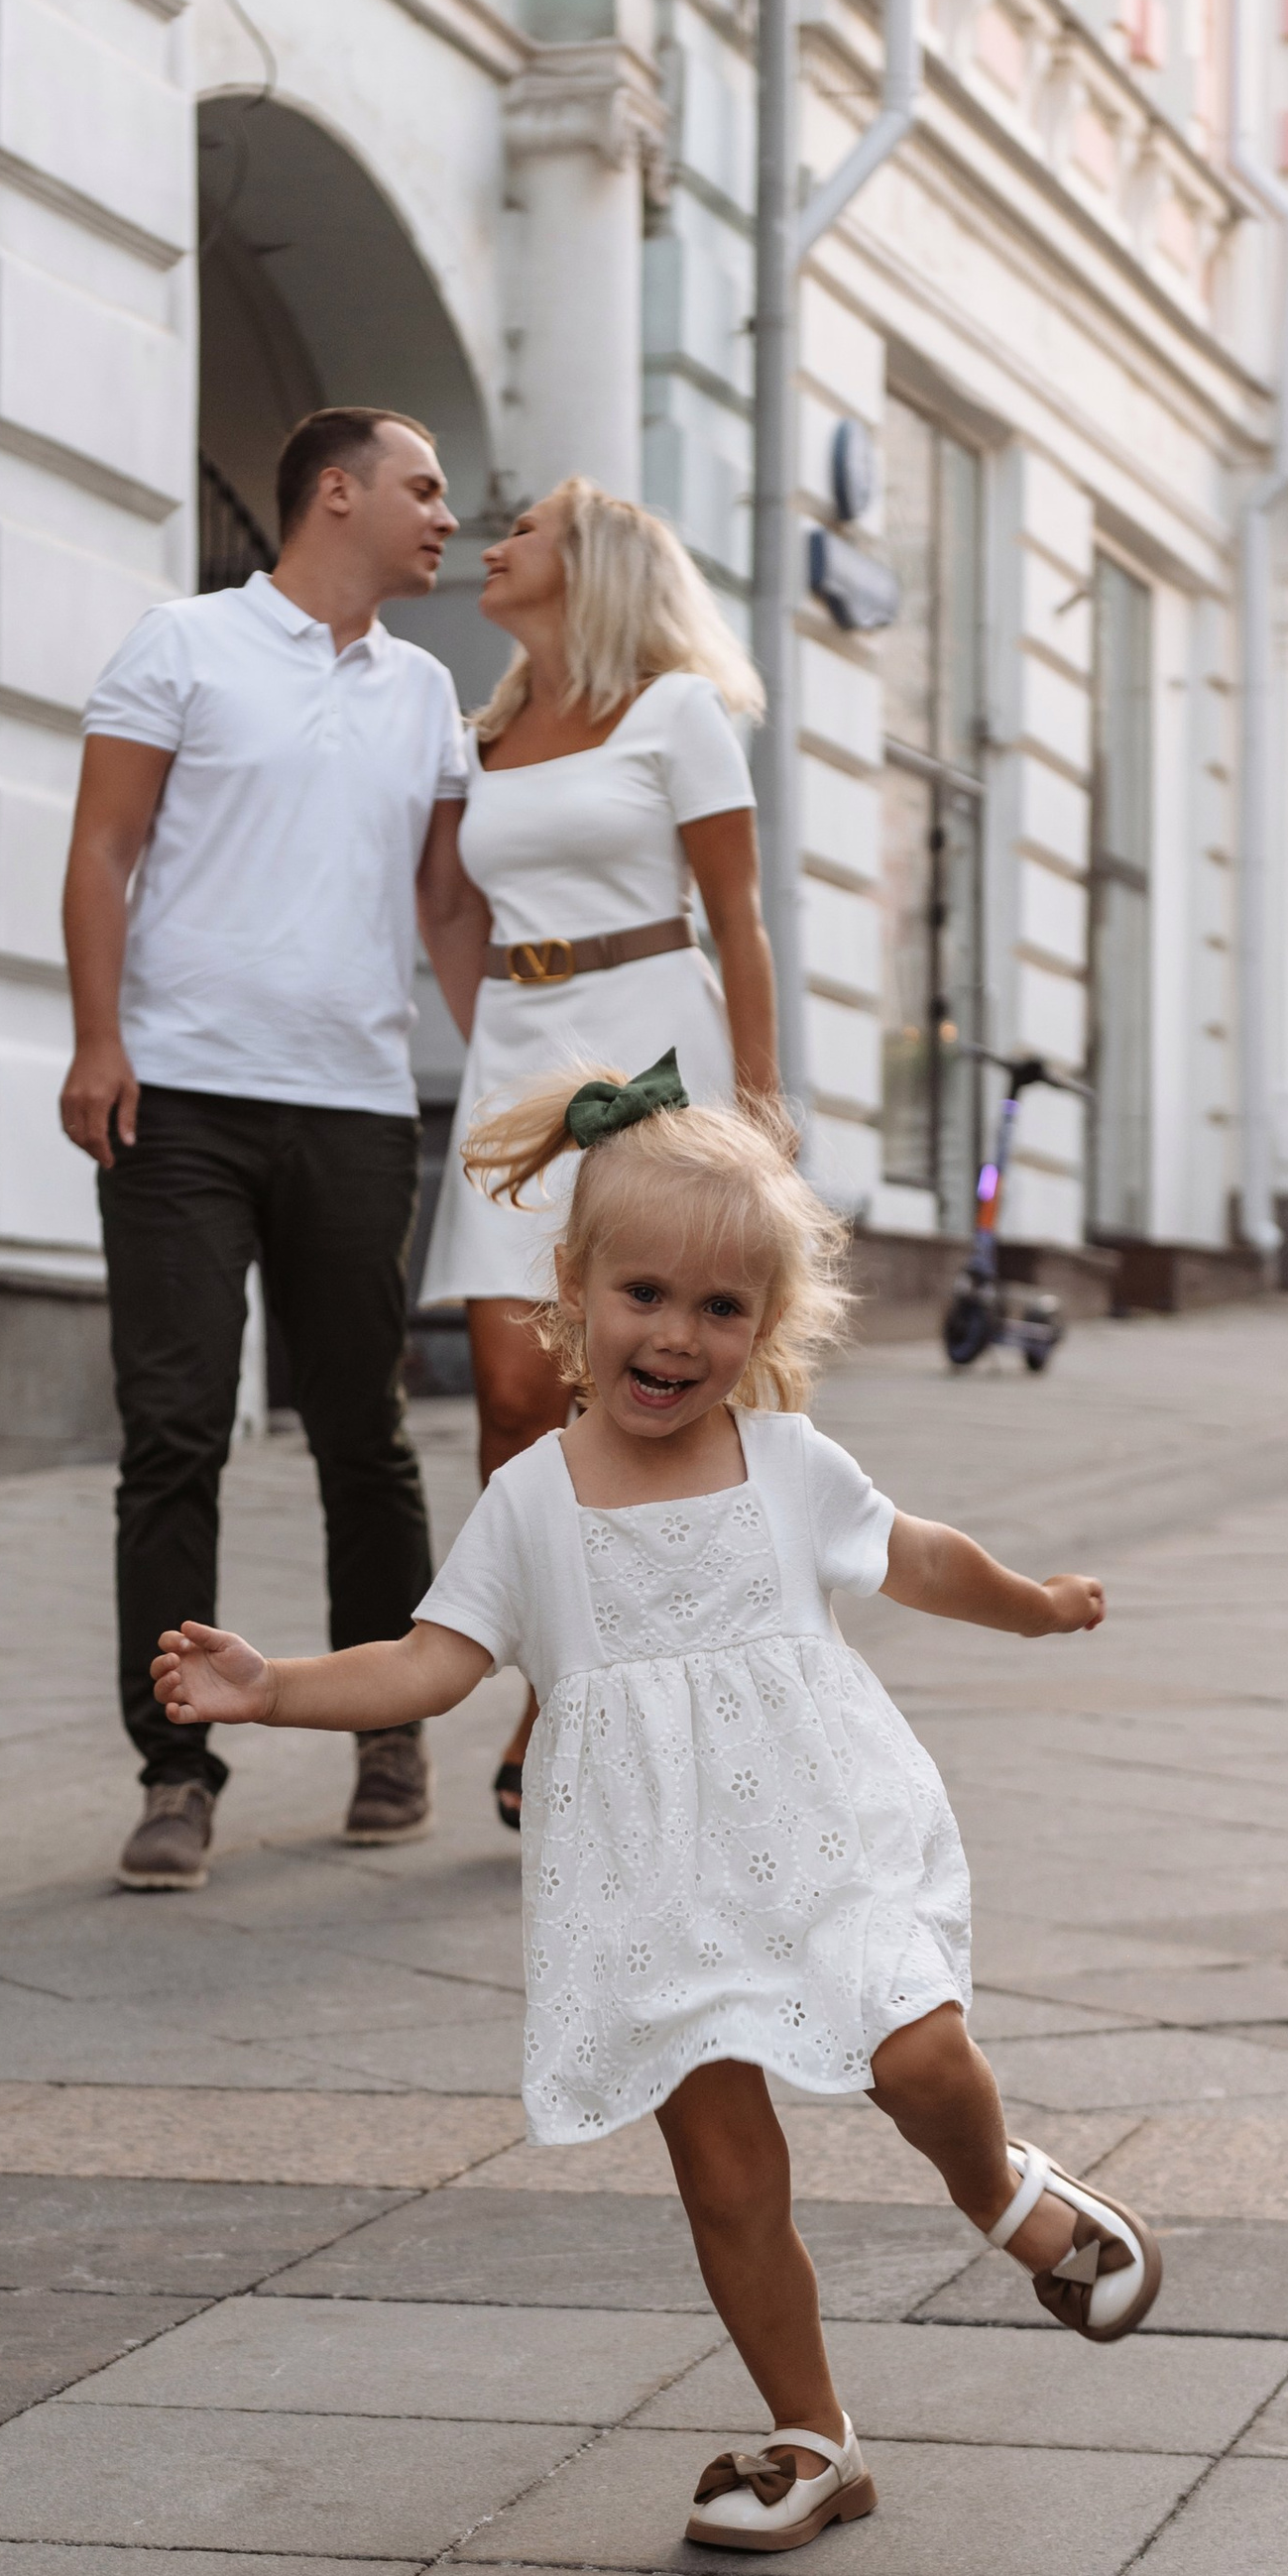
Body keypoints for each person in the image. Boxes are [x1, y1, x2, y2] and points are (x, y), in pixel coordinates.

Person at [155, 1055, 1160, 2554]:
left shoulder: (786, 1463)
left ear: (767, 1323)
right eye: (643, 1294)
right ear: (572, 1289)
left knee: (922, 2055)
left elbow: (918, 1556)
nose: (678, 1336)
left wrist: (1033, 1603)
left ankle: (1003, 2194)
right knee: (727, 2180)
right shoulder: (531, 1499)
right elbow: (429, 1665)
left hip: (819, 1837)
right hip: (651, 1890)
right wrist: (271, 1686)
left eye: (720, 1308)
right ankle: (814, 2435)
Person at [61, 405, 490, 1891]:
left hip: (357, 1108)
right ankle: (176, 1768)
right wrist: (97, 1038)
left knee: (365, 1434)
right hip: (177, 1100)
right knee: (174, 1437)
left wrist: (514, 1074)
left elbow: (447, 905)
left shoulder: (427, 693)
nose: (447, 515)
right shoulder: (181, 645)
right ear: (336, 493)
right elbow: (103, 846)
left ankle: (389, 1733)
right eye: (423, 488)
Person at [418, 477, 777, 1831]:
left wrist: (760, 1116)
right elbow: (450, 905)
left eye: (525, 533)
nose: (494, 544)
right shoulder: (486, 730)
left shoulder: (677, 712)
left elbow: (738, 921)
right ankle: (565, 1658)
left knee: (643, 1376)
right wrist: (500, 1055)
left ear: (596, 567)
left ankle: (577, 1700)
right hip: (521, 1058)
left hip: (652, 1046)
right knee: (511, 1393)